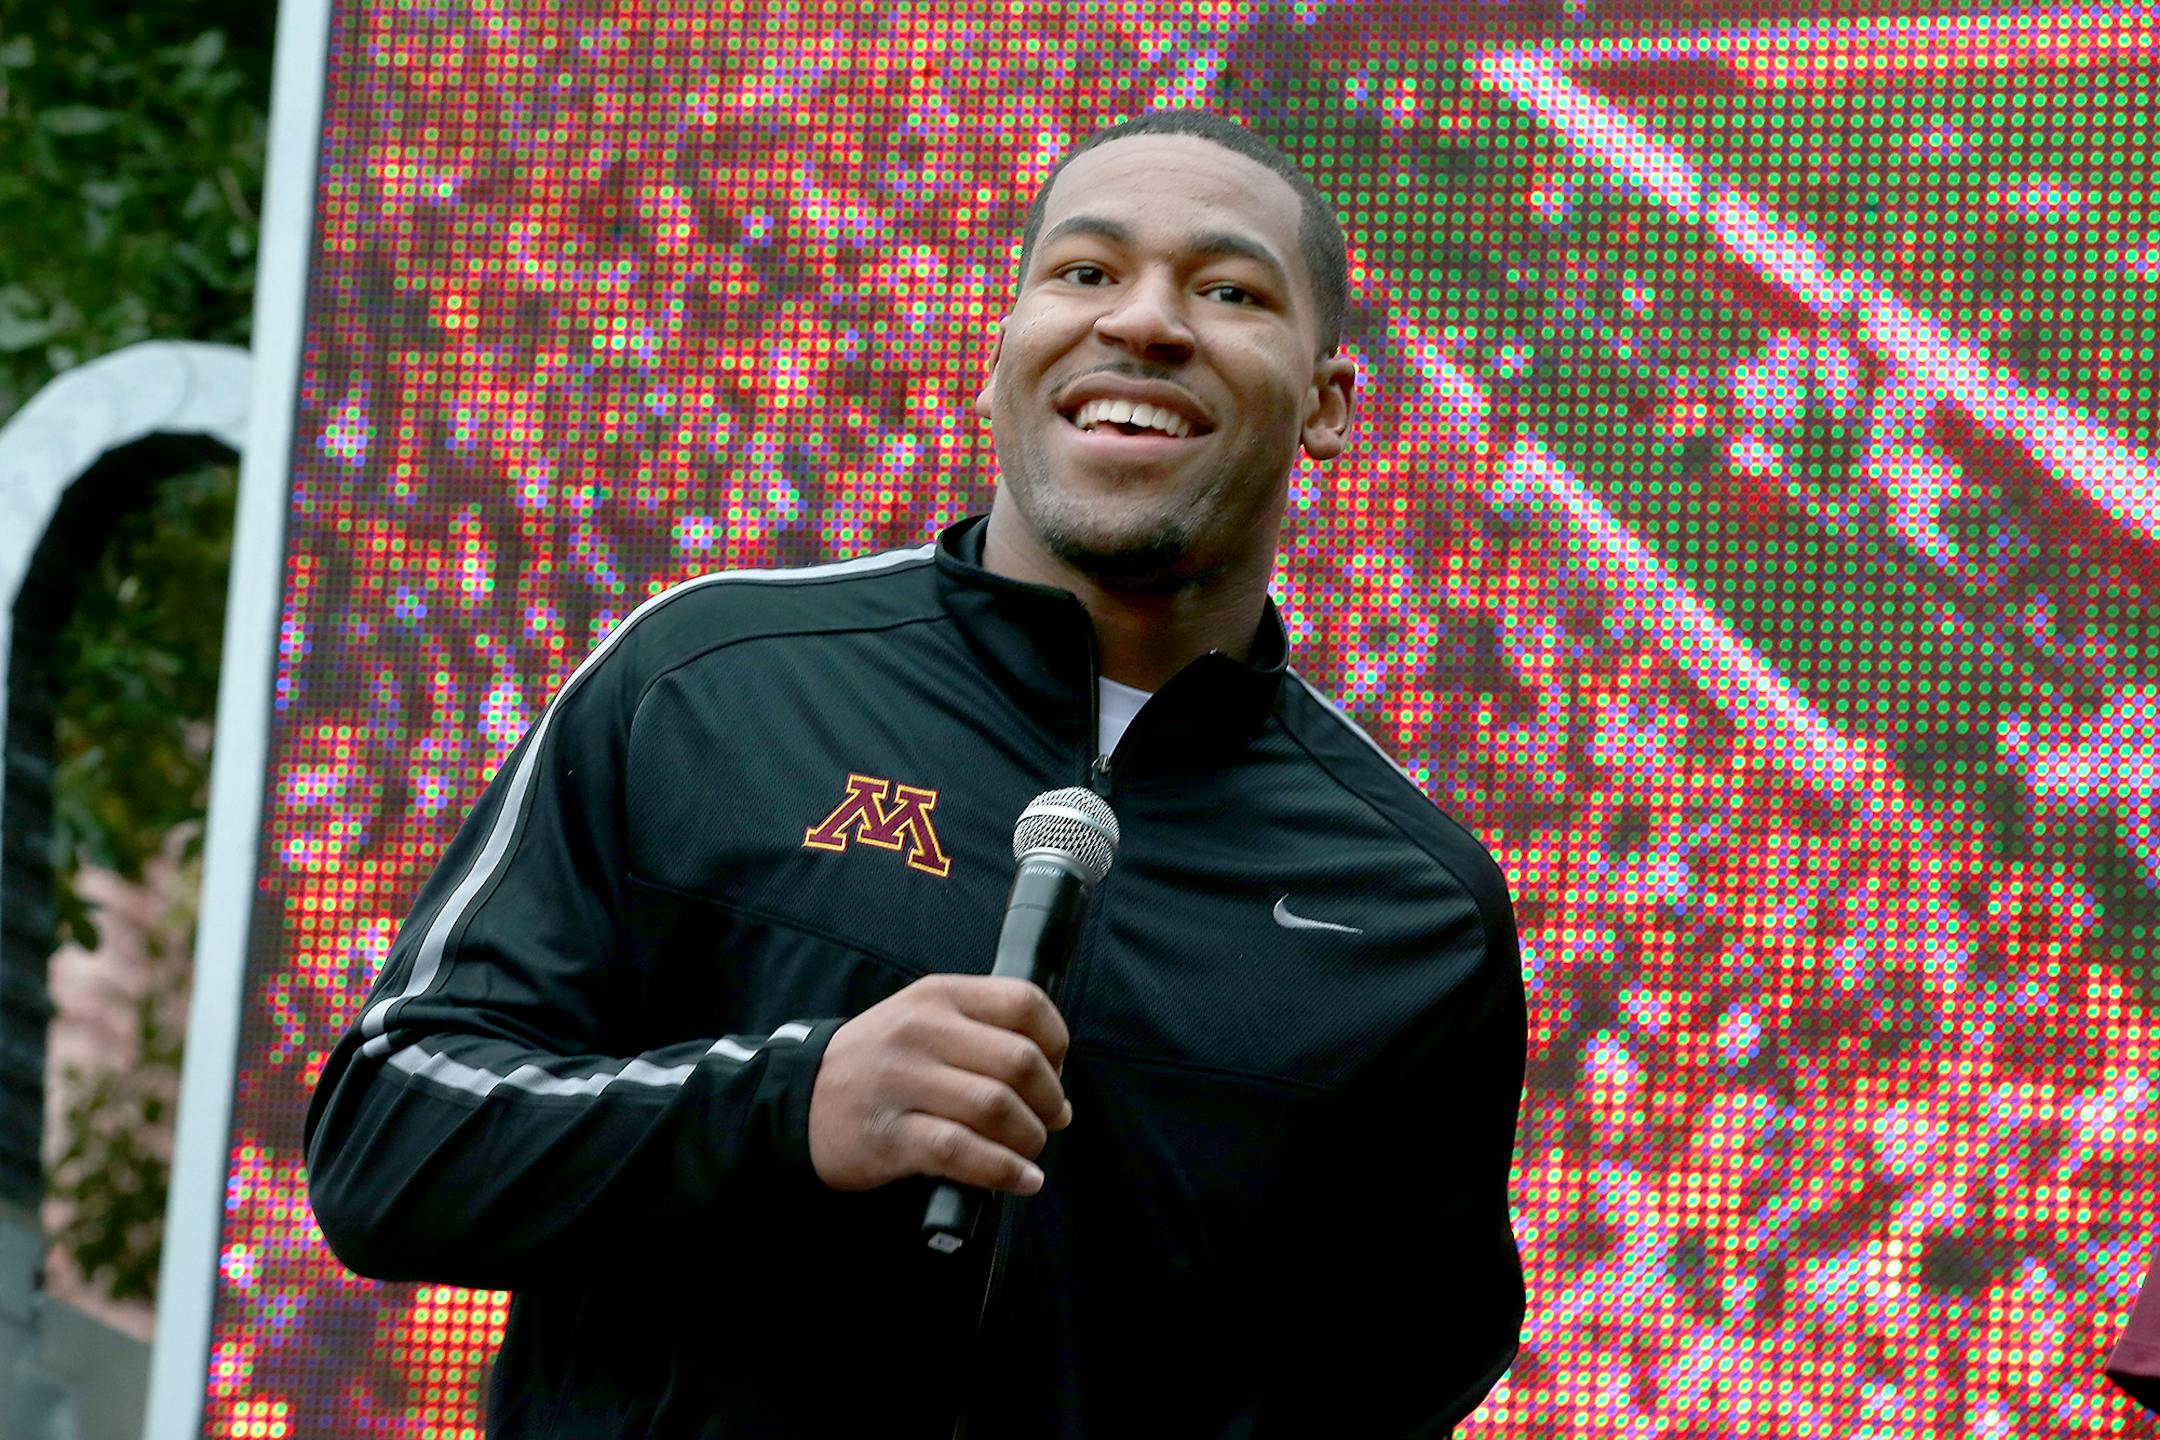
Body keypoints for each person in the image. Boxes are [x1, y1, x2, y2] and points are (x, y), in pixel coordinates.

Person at [305, 107, 1526, 1438]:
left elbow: (1400, 1382)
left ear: (1325, 405)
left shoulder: (1419, 910)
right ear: (997, 358)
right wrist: (792, 1101)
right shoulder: (709, 680)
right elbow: (391, 1138)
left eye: (1229, 290)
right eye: (1086, 271)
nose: (1147, 322)